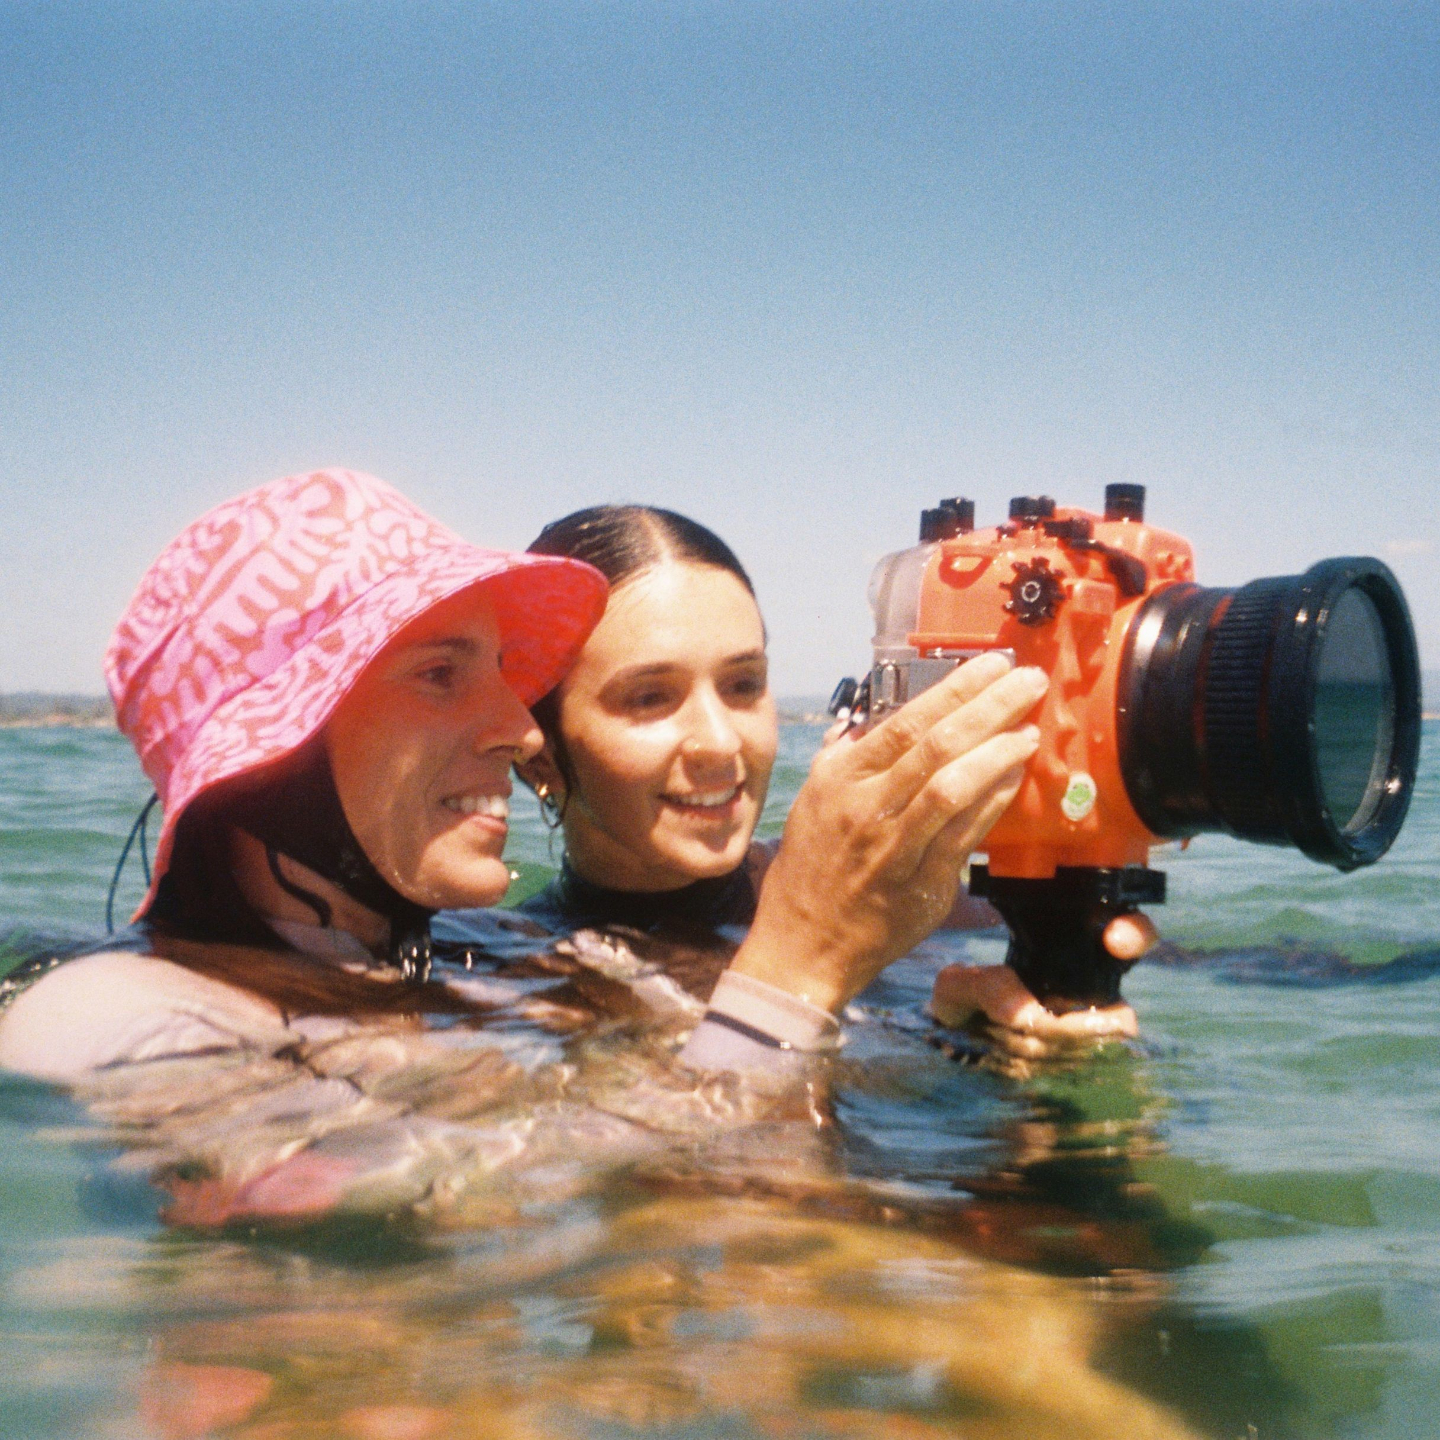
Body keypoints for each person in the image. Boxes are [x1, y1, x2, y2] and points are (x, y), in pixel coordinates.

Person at [0, 469, 1049, 1097]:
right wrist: (796, 973)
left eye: (746, 683)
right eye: (439, 674)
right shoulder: (113, 1019)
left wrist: (956, 1053)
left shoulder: (442, 986)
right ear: (274, 742)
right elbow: (589, 1202)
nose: (515, 727)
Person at [458, 503, 1145, 1055]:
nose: (721, 741)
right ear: (538, 756)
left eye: (743, 685)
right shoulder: (508, 979)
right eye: (649, 698)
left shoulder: (888, 889)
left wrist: (986, 1033)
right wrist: (803, 966)